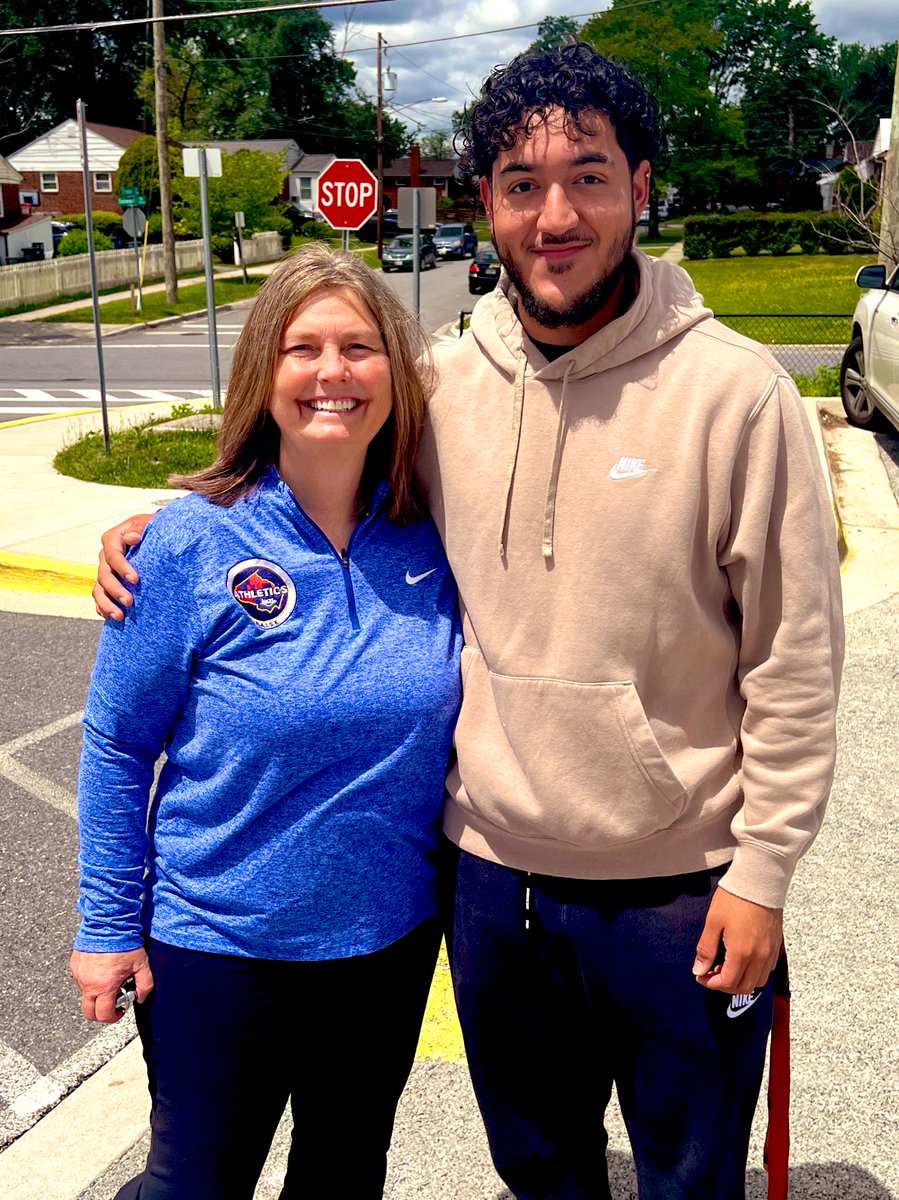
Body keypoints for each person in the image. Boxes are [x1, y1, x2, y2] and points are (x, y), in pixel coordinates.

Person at [94, 43, 844, 1200]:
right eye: (521, 184)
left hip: (679, 890)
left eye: (589, 176)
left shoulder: (737, 397)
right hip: (492, 890)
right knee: (537, 1168)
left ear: (642, 187)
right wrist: (175, 526)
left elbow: (791, 666)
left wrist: (763, 874)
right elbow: (315, 445)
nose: (556, 214)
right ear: (483, 203)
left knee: (687, 1180)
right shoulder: (441, 386)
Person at [71, 244, 462, 1200]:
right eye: (303, 349)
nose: (332, 373)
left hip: (385, 945)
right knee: (197, 1183)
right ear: (264, 373)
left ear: (395, 375)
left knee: (341, 1176)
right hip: (219, 951)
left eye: (360, 348)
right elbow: (118, 744)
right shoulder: (189, 544)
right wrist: (105, 923)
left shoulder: (433, 533)